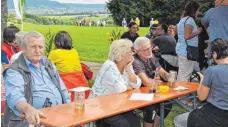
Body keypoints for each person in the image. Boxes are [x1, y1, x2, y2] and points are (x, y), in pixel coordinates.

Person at [3, 31, 71, 127]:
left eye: (40, 47)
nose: (37, 50)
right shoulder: (15, 70)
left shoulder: (49, 64)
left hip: (58, 117)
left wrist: (69, 108)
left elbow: (62, 89)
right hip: (31, 122)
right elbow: (15, 97)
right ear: (24, 49)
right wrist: (28, 109)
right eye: (33, 47)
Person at [89, 39, 141, 127]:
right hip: (100, 106)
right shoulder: (109, 65)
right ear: (121, 54)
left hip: (117, 104)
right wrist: (128, 86)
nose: (132, 54)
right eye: (129, 52)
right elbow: (120, 89)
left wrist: (128, 69)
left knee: (135, 121)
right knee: (124, 125)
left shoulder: (127, 65)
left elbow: (137, 84)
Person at [133, 37, 172, 127]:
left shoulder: (151, 56)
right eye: (146, 49)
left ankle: (155, 125)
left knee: (168, 104)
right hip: (138, 94)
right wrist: (154, 81)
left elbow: (161, 71)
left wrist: (169, 76)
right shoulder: (135, 61)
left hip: (152, 92)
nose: (150, 50)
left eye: (150, 47)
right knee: (151, 107)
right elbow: (146, 82)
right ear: (138, 51)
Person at [48, 31, 89, 101]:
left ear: (56, 42)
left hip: (67, 87)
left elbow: (46, 67)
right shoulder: (74, 51)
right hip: (82, 85)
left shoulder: (54, 53)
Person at [176, 0, 201, 81]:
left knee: (182, 72)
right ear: (193, 10)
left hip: (182, 49)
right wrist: (198, 32)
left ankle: (179, 91)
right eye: (198, 10)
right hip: (187, 51)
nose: (199, 12)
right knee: (186, 73)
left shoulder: (182, 19)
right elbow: (187, 36)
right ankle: (182, 92)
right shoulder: (190, 20)